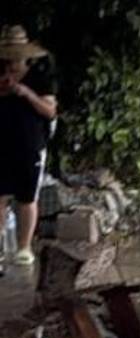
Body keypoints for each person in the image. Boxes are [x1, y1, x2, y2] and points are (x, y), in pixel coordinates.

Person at [0, 24, 57, 268]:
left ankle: (24, 248)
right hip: (1, 142)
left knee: (27, 197)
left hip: (30, 142)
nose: (12, 62)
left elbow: (50, 110)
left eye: (17, 57)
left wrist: (25, 93)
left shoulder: (41, 76)